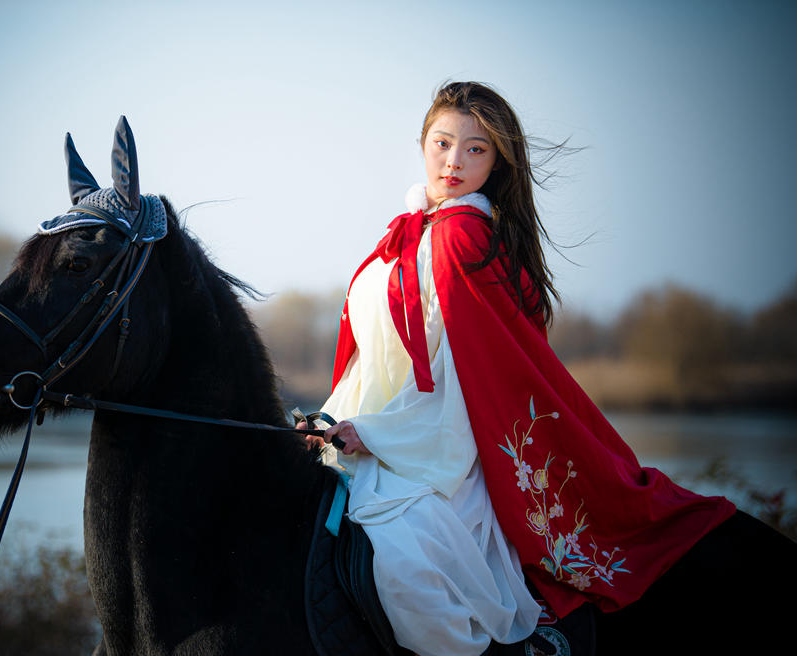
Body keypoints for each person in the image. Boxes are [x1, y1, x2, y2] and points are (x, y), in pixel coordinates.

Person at [301, 81, 792, 655]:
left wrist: (379, 434)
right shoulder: (409, 231)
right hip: (375, 438)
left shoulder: (463, 239)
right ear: (422, 144)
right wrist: (330, 419)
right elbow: (376, 359)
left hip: (437, 452)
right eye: (442, 143)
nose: (454, 161)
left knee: (413, 579)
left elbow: (471, 382)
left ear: (497, 162)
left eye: (475, 149)